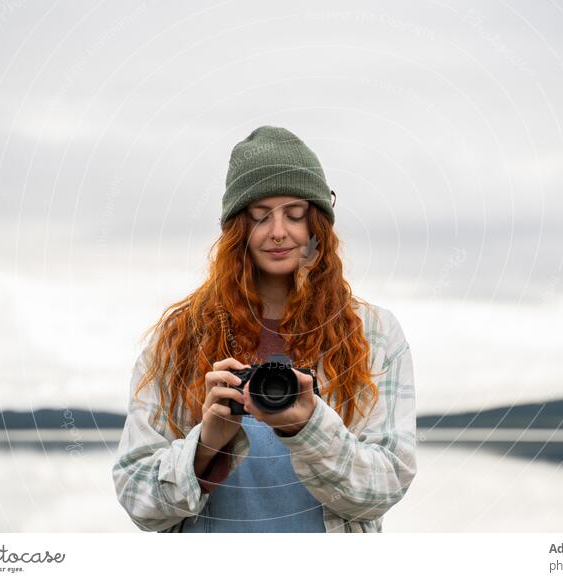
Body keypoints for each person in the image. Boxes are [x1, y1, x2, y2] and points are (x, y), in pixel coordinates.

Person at [112, 125, 416, 533]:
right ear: (238, 229)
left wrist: (308, 427)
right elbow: (137, 497)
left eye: (295, 214)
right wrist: (207, 443)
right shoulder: (179, 338)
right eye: (260, 216)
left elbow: (385, 486)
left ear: (317, 226)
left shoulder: (373, 335)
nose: (278, 231)